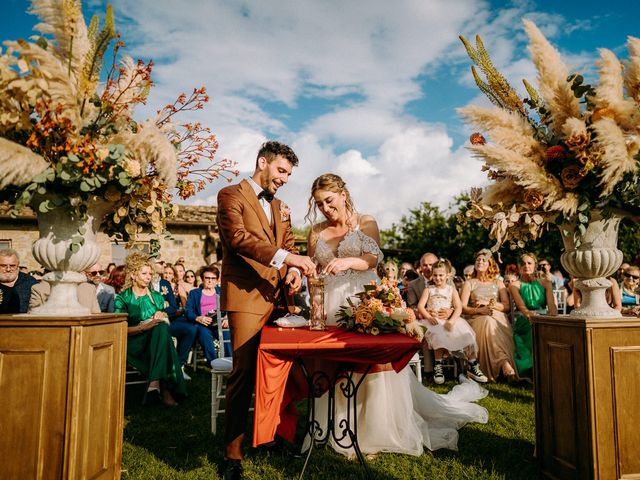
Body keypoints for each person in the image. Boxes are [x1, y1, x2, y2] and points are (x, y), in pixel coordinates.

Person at [306, 173, 488, 457]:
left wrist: (348, 261)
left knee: (369, 366)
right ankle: (333, 424)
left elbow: (373, 259)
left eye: (329, 201)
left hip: (361, 299)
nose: (325, 209)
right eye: (319, 204)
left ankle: (373, 430)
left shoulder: (365, 221)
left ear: (343, 194)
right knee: (335, 365)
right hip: (329, 305)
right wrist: (315, 307)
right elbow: (312, 273)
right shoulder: (316, 232)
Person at [217, 140, 315, 480]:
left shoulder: (281, 207)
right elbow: (239, 239)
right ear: (263, 162)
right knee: (244, 372)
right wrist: (289, 259)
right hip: (246, 296)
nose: (285, 178)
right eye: (281, 170)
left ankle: (272, 435)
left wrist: (292, 270)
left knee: (284, 370)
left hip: (279, 300)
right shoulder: (230, 195)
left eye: (289, 174)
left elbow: (288, 246)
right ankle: (232, 454)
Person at [114, 252, 187, 407]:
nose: (148, 277)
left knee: (160, 328)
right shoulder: (123, 298)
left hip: (155, 340)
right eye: (144, 273)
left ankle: (154, 384)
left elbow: (164, 321)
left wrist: (163, 315)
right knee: (161, 334)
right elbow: (119, 329)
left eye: (150, 274)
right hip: (134, 341)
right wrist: (142, 327)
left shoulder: (157, 297)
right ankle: (165, 389)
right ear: (133, 275)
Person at [417, 260, 488, 385]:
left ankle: (473, 364)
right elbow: (420, 306)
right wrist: (428, 316)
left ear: (448, 275)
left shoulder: (451, 290)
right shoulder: (429, 289)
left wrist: (451, 321)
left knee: (468, 335)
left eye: (441, 275)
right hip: (434, 321)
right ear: (432, 275)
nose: (438, 278)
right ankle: (438, 367)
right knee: (437, 335)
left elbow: (459, 307)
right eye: (435, 275)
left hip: (450, 320)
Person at [460, 249, 517, 383]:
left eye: (483, 260)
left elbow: (506, 307)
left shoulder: (498, 283)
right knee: (487, 321)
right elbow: (462, 308)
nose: (480, 261)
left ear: (490, 264)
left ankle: (502, 363)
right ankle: (503, 362)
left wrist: (489, 304)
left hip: (497, 316)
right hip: (476, 317)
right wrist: (479, 311)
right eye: (478, 260)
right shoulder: (469, 283)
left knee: (492, 322)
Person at [509, 253, 557, 377]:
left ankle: (549, 368)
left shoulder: (546, 283)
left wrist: (553, 320)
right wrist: (532, 317)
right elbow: (522, 307)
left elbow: (551, 306)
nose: (526, 266)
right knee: (532, 329)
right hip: (525, 319)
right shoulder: (514, 285)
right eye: (523, 263)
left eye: (529, 263)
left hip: (544, 317)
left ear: (535, 266)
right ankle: (532, 369)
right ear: (519, 267)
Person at [185, 266, 230, 362]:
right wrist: (198, 318)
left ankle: (230, 362)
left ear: (217, 280)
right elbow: (188, 311)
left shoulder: (222, 292)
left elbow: (230, 308)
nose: (210, 281)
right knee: (204, 334)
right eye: (207, 278)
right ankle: (213, 362)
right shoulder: (194, 293)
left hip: (219, 323)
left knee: (226, 335)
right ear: (202, 279)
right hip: (203, 324)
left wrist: (227, 318)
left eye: (213, 278)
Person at [0, 248, 37, 313]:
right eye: (3, 265)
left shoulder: (30, 282)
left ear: (18, 265)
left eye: (12, 266)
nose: (8, 269)